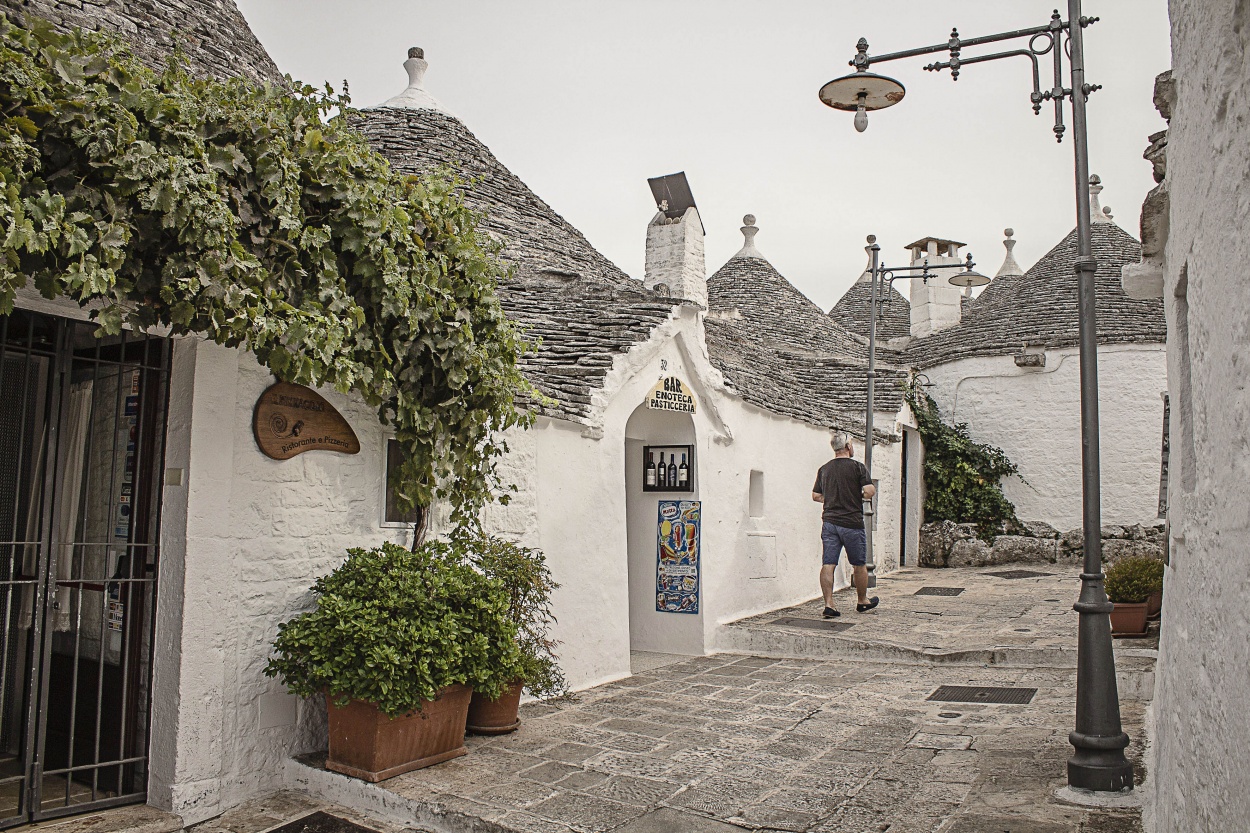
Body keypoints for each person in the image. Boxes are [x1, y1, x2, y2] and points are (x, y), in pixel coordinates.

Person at [812, 431, 879, 618]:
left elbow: (816, 495)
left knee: (828, 563)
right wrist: (857, 496)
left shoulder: (824, 469)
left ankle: (829, 604)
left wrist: (833, 498)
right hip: (852, 523)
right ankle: (862, 600)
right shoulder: (858, 467)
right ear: (849, 447)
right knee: (859, 564)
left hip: (830, 523)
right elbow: (870, 490)